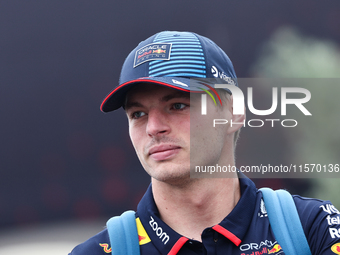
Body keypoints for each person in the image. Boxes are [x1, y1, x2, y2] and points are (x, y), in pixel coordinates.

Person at [69, 31, 340, 255]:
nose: (153, 128)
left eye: (177, 105)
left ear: (233, 112)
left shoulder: (313, 227)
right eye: (138, 114)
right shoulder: (97, 252)